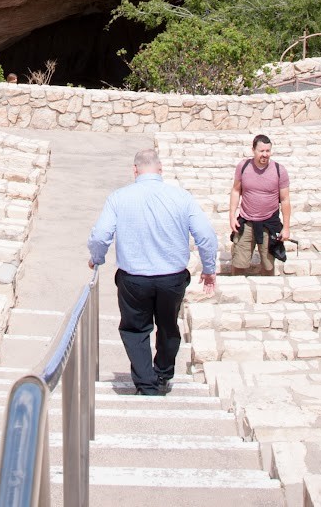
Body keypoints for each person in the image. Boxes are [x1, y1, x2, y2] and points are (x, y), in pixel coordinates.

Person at [87, 149, 218, 396]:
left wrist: (97, 258)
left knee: (135, 329)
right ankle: (163, 373)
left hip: (134, 278)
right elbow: (206, 236)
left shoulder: (119, 197)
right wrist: (209, 269)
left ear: (135, 170)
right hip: (172, 277)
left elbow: (101, 234)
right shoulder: (182, 197)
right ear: (160, 170)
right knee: (168, 326)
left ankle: (146, 384)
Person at [227, 134, 290, 276]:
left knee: (268, 266)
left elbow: (285, 200)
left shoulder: (280, 171)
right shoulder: (243, 167)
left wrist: (286, 228)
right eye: (261, 151)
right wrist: (232, 217)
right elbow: (236, 191)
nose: (265, 154)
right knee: (238, 263)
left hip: (269, 224)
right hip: (246, 221)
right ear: (253, 150)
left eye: (268, 151)